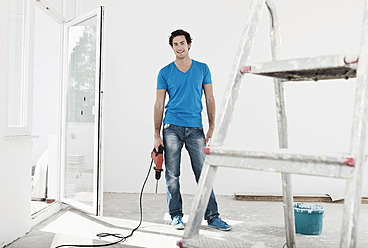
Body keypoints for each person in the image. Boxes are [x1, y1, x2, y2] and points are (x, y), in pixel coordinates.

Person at [153, 29, 232, 231]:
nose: (179, 47)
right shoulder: (165, 72)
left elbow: (210, 99)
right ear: (172, 47)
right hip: (171, 128)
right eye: (175, 44)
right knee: (172, 175)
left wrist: (212, 126)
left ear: (189, 44)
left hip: (195, 128)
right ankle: (176, 216)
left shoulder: (202, 68)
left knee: (203, 174)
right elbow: (159, 104)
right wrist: (156, 134)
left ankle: (213, 216)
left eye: (182, 43)